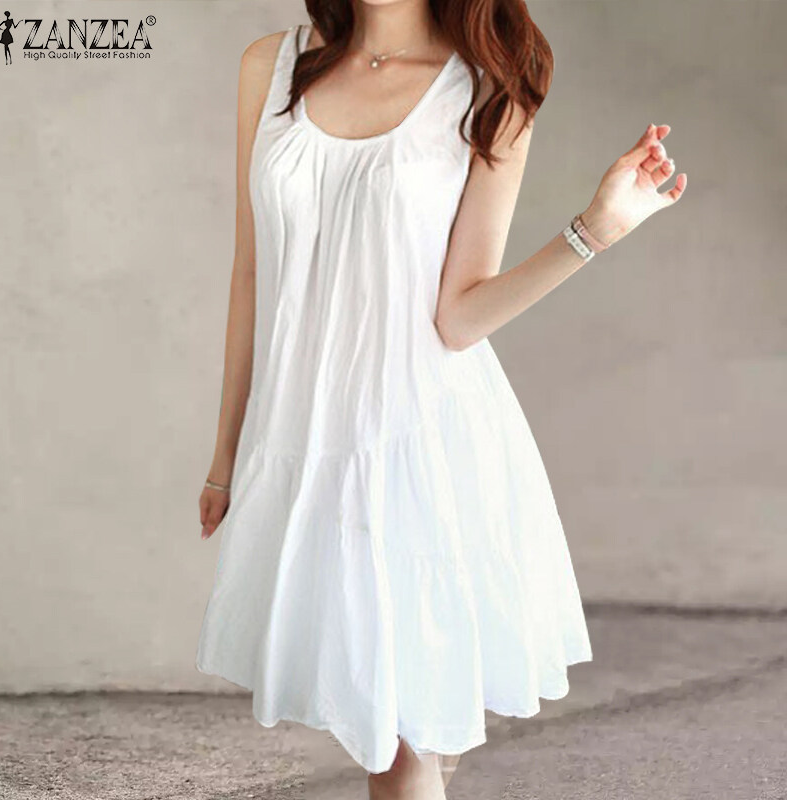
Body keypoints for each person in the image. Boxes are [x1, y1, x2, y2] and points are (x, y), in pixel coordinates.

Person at [195, 1, 686, 798]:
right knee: (389, 739)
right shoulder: (272, 66)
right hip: (310, 438)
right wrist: (225, 458)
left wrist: (593, 231)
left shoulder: (489, 90)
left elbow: (459, 318)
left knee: (402, 740)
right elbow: (251, 270)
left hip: (416, 437)